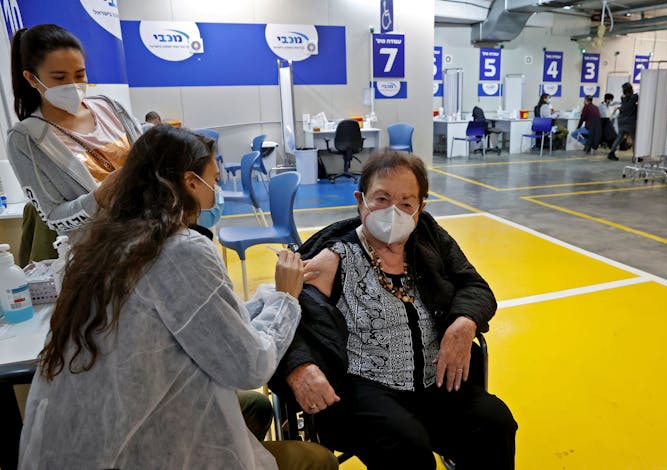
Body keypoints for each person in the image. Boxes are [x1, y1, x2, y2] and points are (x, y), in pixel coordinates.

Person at [17, 125, 337, 470]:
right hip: (138, 451)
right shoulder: (180, 251)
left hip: (79, 442)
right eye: (214, 179)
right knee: (315, 461)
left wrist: (268, 296)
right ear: (189, 182)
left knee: (254, 409)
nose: (217, 190)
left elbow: (202, 319)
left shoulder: (102, 243)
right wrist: (286, 299)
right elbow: (249, 366)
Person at [270, 150, 517, 470]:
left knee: (495, 422)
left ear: (420, 208)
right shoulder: (334, 258)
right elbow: (282, 315)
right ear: (361, 200)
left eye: (405, 203)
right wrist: (299, 367)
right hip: (366, 390)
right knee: (408, 448)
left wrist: (464, 322)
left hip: (435, 380)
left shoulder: (428, 239)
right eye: (381, 199)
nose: (393, 212)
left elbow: (475, 287)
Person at [6, 23, 142, 265]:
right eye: (59, 77)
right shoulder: (27, 139)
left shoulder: (111, 108)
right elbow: (54, 218)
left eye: (80, 75)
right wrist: (99, 197)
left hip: (152, 235)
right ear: (31, 78)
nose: (73, 84)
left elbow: (149, 159)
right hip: (102, 259)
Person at [607, 82, 639, 161]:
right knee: (634, 139)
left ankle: (611, 153)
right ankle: (635, 157)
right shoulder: (635, 97)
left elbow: (626, 105)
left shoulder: (623, 98)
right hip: (631, 121)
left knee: (619, 137)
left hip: (621, 120)